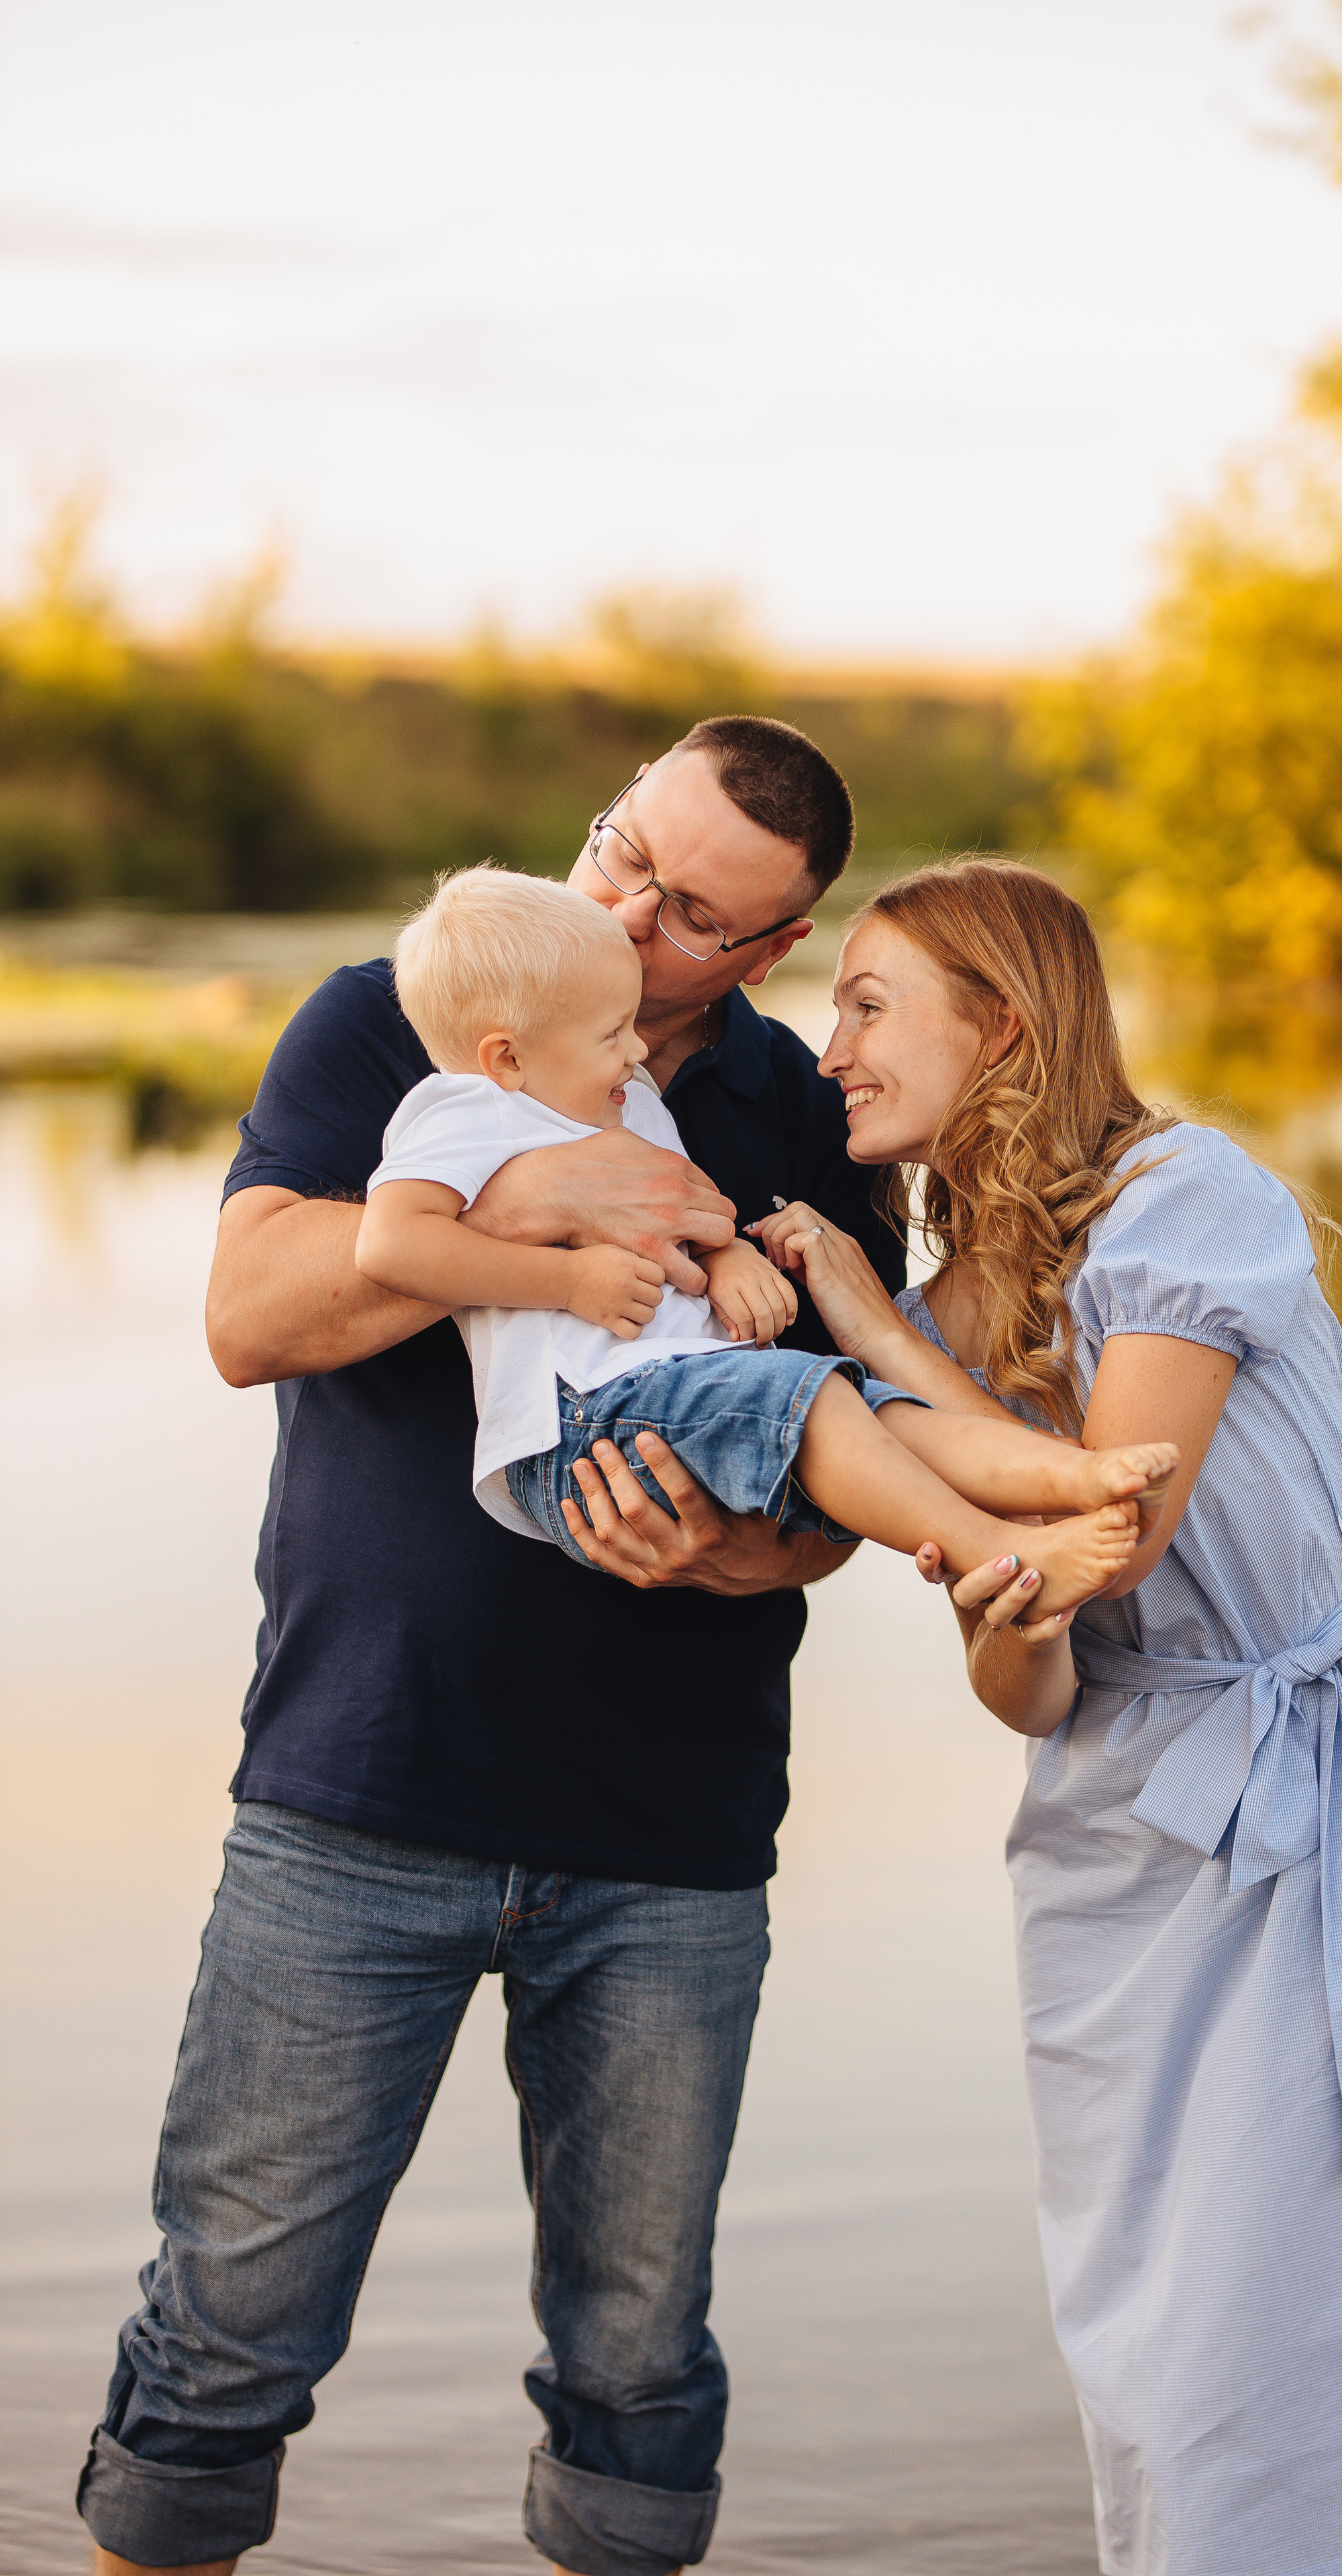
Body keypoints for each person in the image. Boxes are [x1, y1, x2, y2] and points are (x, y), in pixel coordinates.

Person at [747, 858, 1342, 2576]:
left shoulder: (1187, 1197)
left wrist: (858, 1327)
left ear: (998, 1022)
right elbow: (1029, 1667)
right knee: (1176, 2376)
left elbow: (1123, 1505)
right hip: (1114, 1837)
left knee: (1318, 2356)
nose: (830, 1047)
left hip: (1300, 1806)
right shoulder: (958, 1317)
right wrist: (1000, 1605)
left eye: (866, 1002)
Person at [76, 717, 906, 2576]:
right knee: (217, 2352)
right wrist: (515, 1207)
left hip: (668, 1838)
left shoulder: (797, 1111)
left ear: (766, 955)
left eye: (691, 912)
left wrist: (745, 1559)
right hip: (357, 1789)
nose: (624, 902)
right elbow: (246, 1318)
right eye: (624, 846)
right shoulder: (398, 1020)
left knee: (638, 2375)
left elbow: (850, 1466)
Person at [358, 863, 1174, 1607]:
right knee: (816, 1400)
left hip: (683, 1384)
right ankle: (1002, 1550)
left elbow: (682, 1210)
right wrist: (567, 1283)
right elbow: (393, 1249)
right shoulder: (464, 1112)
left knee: (876, 1413)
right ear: (505, 1057)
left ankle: (1074, 1474)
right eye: (611, 1034)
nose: (637, 1047)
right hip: (582, 1422)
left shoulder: (626, 1098)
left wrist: (727, 1256)